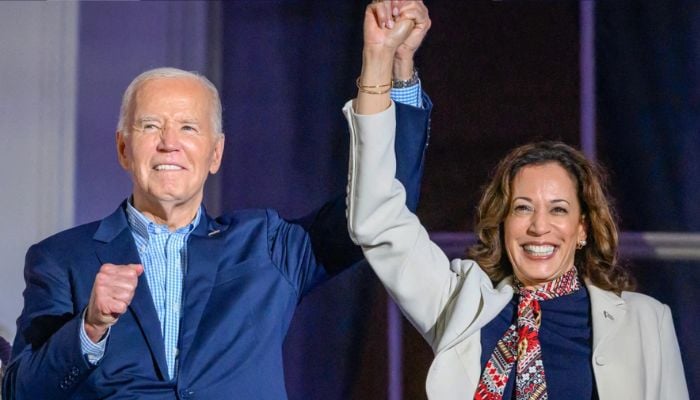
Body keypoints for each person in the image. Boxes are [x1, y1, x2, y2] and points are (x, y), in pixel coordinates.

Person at [2, 2, 431, 399]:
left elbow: (384, 206)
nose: (169, 143)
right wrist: (90, 328)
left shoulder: (268, 247)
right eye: (151, 126)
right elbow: (20, 390)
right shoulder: (62, 259)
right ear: (123, 149)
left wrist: (392, 67)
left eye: (188, 128)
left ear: (216, 153)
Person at [343, 24, 689, 400]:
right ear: (503, 222)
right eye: (523, 208)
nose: (540, 227)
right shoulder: (463, 302)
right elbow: (377, 218)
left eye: (558, 210)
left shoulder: (645, 321)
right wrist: (379, 59)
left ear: (583, 229)